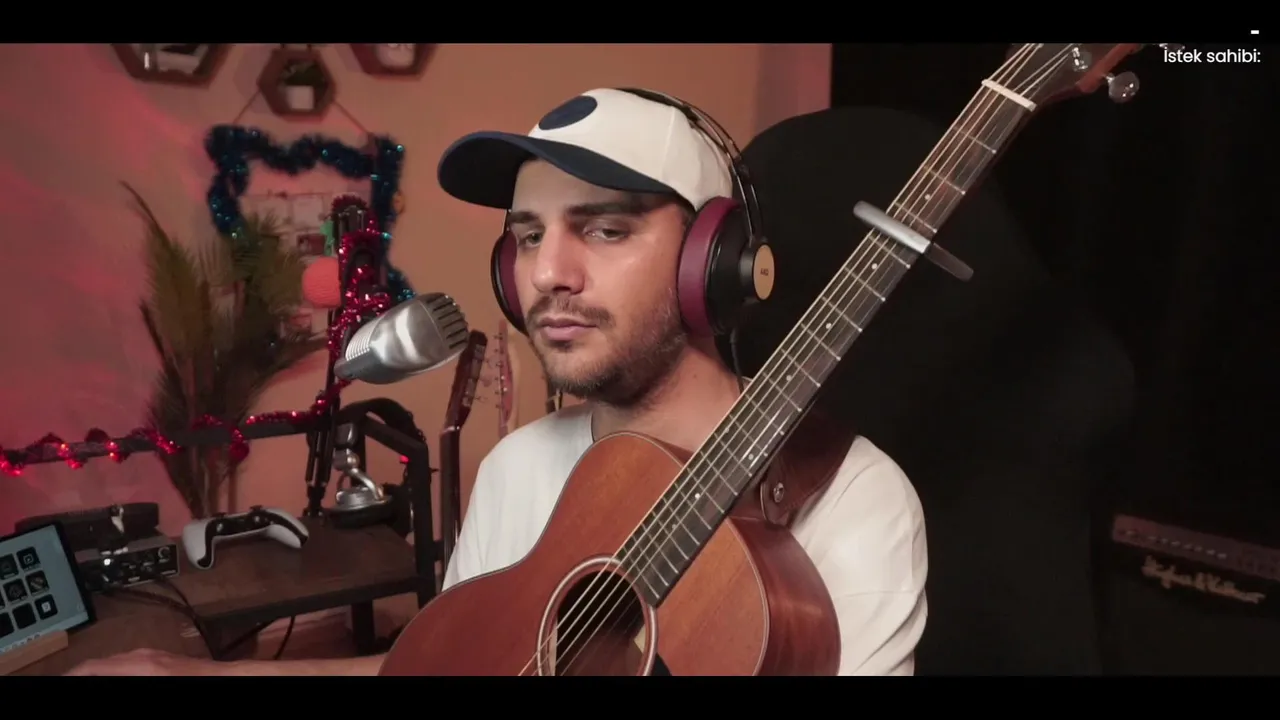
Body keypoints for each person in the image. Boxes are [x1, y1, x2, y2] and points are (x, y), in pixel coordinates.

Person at [68, 88, 928, 677]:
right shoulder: (520, 466)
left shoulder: (855, 500)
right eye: (527, 235)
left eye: (605, 229)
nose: (547, 273)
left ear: (718, 261)